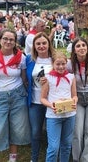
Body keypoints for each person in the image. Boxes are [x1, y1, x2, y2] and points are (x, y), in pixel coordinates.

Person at [0, 28, 30, 162]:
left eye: (11, 40)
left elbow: (24, 79)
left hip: (18, 96)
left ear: (15, 42)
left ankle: (12, 158)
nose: (8, 42)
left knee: (17, 128)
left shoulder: (21, 57)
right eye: (5, 39)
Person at [41, 51, 78, 162]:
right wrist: (51, 105)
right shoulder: (47, 78)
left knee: (66, 145)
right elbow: (42, 98)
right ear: (53, 64)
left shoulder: (71, 77)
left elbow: (75, 95)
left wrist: (74, 101)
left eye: (63, 64)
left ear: (66, 63)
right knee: (53, 147)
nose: (61, 67)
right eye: (58, 64)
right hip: (53, 116)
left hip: (69, 115)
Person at [26, 32, 55, 162]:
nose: (41, 46)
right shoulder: (29, 59)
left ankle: (53, 156)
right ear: (34, 46)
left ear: (49, 44)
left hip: (52, 101)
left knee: (52, 133)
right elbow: (24, 78)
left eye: (44, 43)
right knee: (36, 132)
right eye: (38, 44)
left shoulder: (55, 59)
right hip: (35, 101)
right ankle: (34, 158)